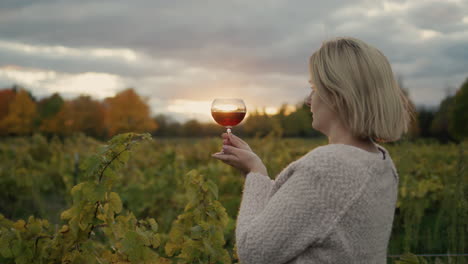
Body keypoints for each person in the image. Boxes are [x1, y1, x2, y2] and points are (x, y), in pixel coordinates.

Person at [211, 37, 414, 263]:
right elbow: (307, 214)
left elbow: (253, 252)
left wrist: (255, 175)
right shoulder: (381, 162)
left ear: (337, 95)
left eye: (314, 88)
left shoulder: (328, 167)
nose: (309, 100)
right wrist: (255, 167)